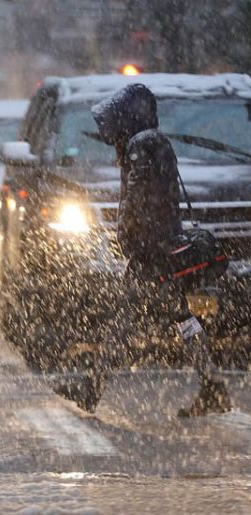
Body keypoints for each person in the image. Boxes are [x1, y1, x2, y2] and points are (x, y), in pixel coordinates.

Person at [57, 83, 231, 417]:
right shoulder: (151, 142)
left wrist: (134, 242)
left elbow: (140, 202)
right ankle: (211, 386)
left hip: (152, 256)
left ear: (127, 117)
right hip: (161, 249)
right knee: (181, 319)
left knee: (125, 322)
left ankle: (94, 388)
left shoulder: (141, 146)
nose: (108, 134)